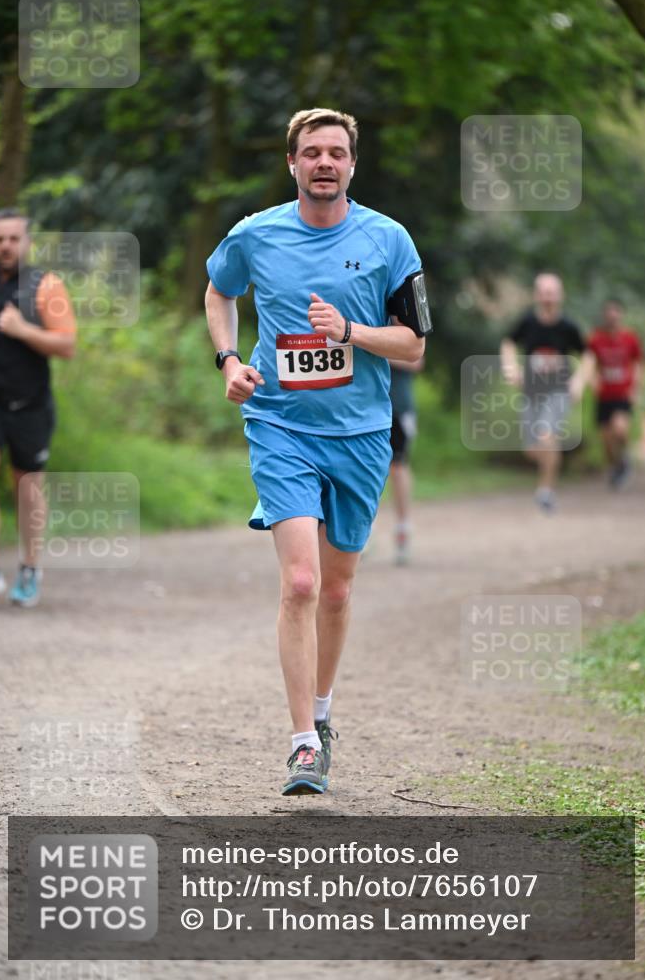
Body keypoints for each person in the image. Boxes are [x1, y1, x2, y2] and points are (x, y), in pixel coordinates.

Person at [205, 108, 429, 795]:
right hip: (280, 426)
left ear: (352, 165)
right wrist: (228, 360)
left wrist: (355, 331)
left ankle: (324, 714)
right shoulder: (256, 234)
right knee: (300, 583)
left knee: (335, 589)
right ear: (292, 164)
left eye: (336, 152)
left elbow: (416, 347)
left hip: (361, 435)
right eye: (311, 152)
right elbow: (219, 292)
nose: (324, 162)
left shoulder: (389, 240)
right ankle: (302, 743)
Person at [0, 210, 76, 607]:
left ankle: (28, 567)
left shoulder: (46, 286)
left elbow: (66, 345)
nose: (5, 246)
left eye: (12, 239)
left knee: (27, 489)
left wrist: (23, 329)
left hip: (30, 405)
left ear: (27, 243)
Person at [500, 273, 593, 513]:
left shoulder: (568, 327)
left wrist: (579, 381)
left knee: (546, 434)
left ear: (560, 296)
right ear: (536, 295)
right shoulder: (528, 322)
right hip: (531, 391)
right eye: (543, 292)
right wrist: (511, 368)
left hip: (559, 391)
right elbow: (508, 343)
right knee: (532, 450)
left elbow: (588, 355)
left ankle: (545, 491)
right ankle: (551, 467)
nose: (547, 297)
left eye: (552, 292)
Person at [587, 300, 645, 488]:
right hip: (604, 395)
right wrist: (592, 380)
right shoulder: (596, 339)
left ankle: (625, 459)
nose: (612, 316)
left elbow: (639, 363)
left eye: (616, 312)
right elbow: (589, 362)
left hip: (622, 394)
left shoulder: (630, 338)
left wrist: (635, 387)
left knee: (620, 429)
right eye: (609, 313)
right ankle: (617, 465)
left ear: (621, 314)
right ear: (605, 316)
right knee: (606, 440)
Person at [388, 353, 424, 565]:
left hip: (398, 408)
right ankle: (361, 533)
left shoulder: (400, 320)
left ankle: (403, 529)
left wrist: (373, 345)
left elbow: (416, 360)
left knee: (398, 468)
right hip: (364, 408)